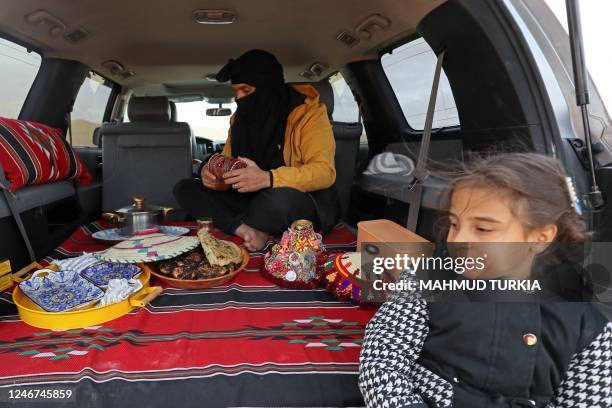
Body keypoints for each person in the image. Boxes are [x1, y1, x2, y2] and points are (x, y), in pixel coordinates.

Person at [359, 153, 611, 407]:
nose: (458, 240)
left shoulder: (585, 323)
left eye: (483, 229)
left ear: (540, 237)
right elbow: (383, 359)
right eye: (455, 224)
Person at [174, 50, 339, 251]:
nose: (238, 98)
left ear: (267, 87)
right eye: (236, 91)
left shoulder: (309, 114)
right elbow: (228, 166)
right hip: (247, 198)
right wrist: (215, 177)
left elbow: (324, 172)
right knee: (185, 188)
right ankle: (244, 229)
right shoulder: (239, 119)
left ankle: (240, 221)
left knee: (276, 202)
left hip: (289, 199)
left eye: (245, 90)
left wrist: (267, 178)